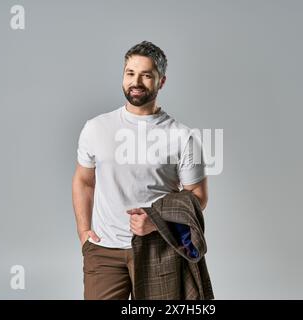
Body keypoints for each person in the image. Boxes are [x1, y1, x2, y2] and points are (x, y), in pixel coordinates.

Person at [71, 40, 208, 300]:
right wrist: (83, 233)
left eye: (147, 75)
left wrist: (157, 222)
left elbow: (198, 196)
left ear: (161, 81)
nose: (136, 82)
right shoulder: (96, 127)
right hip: (104, 252)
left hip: (159, 248)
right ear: (123, 76)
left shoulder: (182, 136)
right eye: (130, 73)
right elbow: (84, 180)